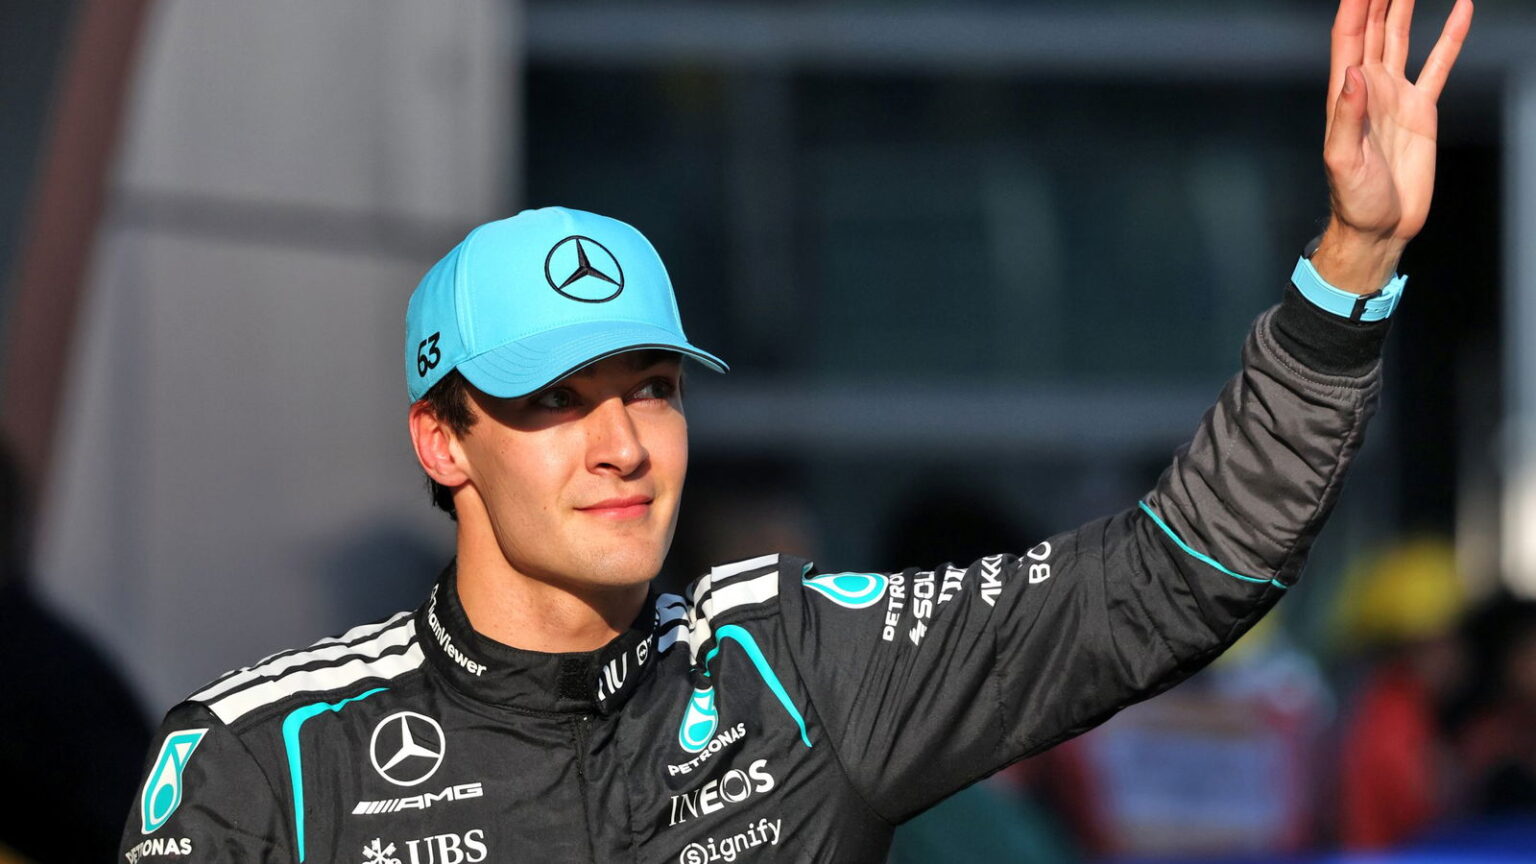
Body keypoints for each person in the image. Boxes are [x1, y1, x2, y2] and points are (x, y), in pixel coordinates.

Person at [118, 0, 1473, 860]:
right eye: (553, 402)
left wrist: (1351, 262)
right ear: (442, 442)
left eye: (652, 388)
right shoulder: (266, 762)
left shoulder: (800, 670)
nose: (622, 444)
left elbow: (1178, 574)